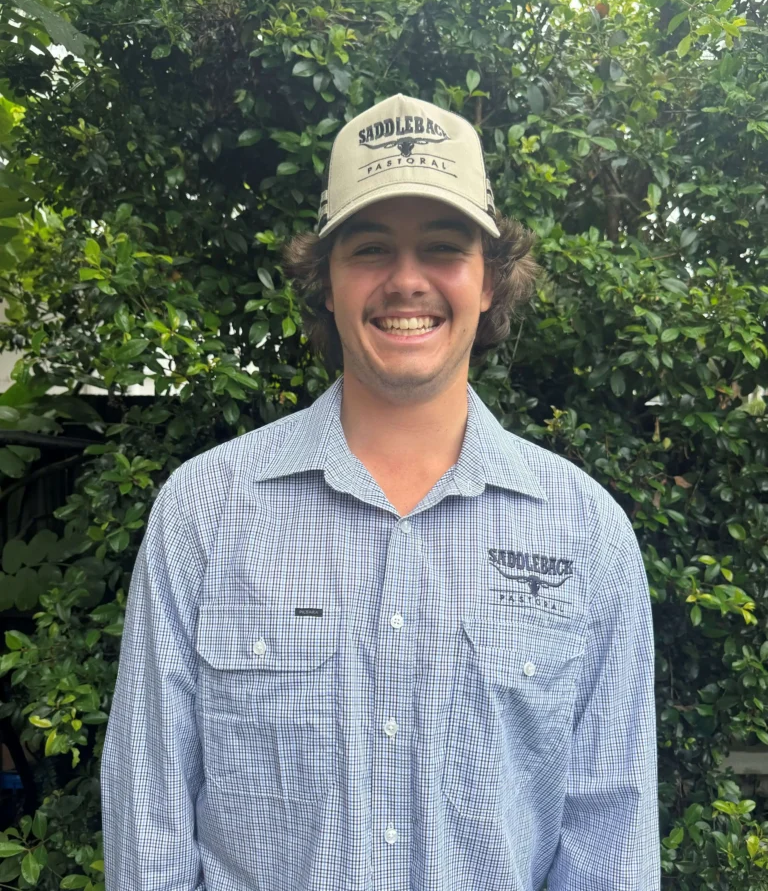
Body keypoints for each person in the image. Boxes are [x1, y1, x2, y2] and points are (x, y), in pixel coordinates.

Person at [101, 91, 660, 890]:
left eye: (442, 247)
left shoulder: (588, 534)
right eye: (369, 249)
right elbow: (147, 825)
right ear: (325, 282)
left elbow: (611, 841)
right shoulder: (203, 514)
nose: (406, 281)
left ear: (490, 280)